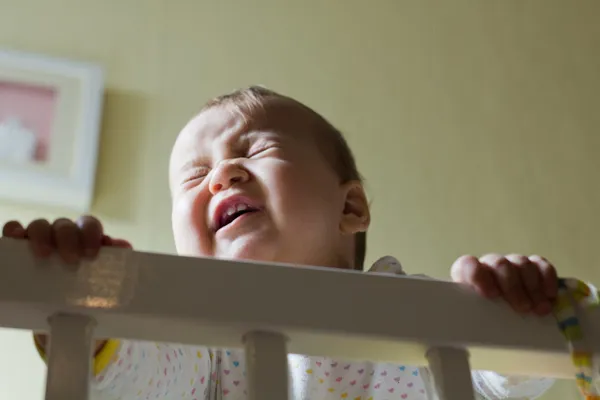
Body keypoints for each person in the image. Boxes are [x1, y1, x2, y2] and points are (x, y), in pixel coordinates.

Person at [2, 86, 561, 399]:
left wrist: (514, 304)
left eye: (256, 150)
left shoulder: (419, 319)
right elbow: (140, 379)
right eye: (194, 179)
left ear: (350, 208)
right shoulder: (201, 345)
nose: (222, 175)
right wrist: (90, 298)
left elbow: (498, 382)